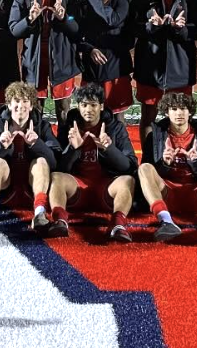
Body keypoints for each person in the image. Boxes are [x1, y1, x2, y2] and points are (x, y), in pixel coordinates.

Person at [130, 0, 197, 149]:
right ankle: (150, 160)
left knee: (180, 116)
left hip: (180, 65)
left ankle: (180, 158)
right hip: (149, 64)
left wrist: (182, 29)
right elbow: (134, 27)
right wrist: (151, 28)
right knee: (149, 116)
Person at [48, 82, 139, 242]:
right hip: (77, 187)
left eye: (93, 105)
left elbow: (130, 166)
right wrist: (73, 149)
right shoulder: (69, 126)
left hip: (106, 188)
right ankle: (60, 221)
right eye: (84, 105)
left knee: (128, 181)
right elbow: (59, 167)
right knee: (56, 177)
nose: (88, 110)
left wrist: (108, 149)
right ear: (78, 106)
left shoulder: (115, 127)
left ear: (101, 106)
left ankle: (118, 225)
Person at [137, 92, 197, 243]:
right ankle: (165, 221)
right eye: (174, 109)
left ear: (190, 112)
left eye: (183, 109)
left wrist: (196, 163)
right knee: (145, 168)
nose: (179, 113)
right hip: (167, 194)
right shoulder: (154, 138)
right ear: (166, 112)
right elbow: (149, 177)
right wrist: (165, 164)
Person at [9, 0, 80, 123]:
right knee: (35, 109)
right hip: (34, 60)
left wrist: (65, 18)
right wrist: (29, 19)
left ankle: (63, 147)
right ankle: (37, 147)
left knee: (63, 111)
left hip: (62, 60)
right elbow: (14, 30)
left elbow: (76, 28)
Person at [0, 81, 60, 232]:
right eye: (16, 101)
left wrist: (36, 143)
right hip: (5, 189)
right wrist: (1, 146)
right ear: (9, 105)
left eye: (25, 101)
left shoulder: (42, 126)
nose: (20, 105)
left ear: (31, 106)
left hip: (32, 188)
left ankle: (40, 213)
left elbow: (55, 162)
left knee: (42, 161)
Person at [73, 0, 134, 117]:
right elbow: (76, 37)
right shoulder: (83, 7)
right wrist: (89, 49)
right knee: (89, 116)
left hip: (116, 69)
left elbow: (112, 20)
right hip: (92, 70)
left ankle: (117, 142)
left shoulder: (122, 3)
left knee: (117, 117)